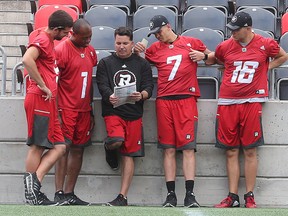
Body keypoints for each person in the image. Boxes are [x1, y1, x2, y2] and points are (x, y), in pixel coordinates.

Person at [204, 11, 288, 208]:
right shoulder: (225, 46)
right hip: (227, 101)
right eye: (231, 29)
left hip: (251, 101)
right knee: (231, 150)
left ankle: (249, 195)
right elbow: (215, 59)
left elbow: (283, 56)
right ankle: (232, 196)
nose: (232, 33)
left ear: (248, 29)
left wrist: (266, 68)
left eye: (236, 30)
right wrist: (206, 56)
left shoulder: (265, 44)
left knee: (250, 150)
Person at [134, 15, 213, 208]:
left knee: (187, 147)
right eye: (154, 34)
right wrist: (138, 53)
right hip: (164, 100)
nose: (157, 36)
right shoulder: (154, 49)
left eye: (159, 32)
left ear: (168, 27)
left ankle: (189, 194)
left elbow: (215, 58)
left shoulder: (191, 42)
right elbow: (139, 65)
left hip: (186, 98)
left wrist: (203, 56)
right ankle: (171, 195)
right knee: (168, 148)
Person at [96, 27, 153, 206]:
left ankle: (122, 196)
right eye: (118, 43)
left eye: (125, 43)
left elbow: (149, 86)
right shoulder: (105, 63)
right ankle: (109, 147)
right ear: (114, 43)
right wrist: (108, 96)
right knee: (117, 140)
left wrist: (142, 95)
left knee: (129, 155)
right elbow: (102, 84)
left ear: (132, 44)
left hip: (134, 113)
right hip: (113, 111)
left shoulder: (142, 64)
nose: (121, 47)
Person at [22, 10, 73, 205]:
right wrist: (43, 85)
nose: (67, 35)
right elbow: (27, 60)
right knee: (38, 145)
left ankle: (35, 184)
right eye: (66, 32)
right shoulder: (44, 39)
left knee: (60, 146)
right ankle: (31, 192)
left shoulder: (45, 37)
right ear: (57, 29)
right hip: (39, 98)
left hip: (47, 101)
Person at [53, 19, 97, 206]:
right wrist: (57, 112)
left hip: (84, 110)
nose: (88, 41)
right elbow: (53, 83)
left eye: (90, 37)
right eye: (85, 38)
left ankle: (70, 192)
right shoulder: (62, 50)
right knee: (63, 150)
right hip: (66, 108)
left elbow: (89, 83)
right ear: (74, 34)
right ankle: (59, 192)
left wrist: (91, 108)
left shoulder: (91, 51)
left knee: (78, 150)